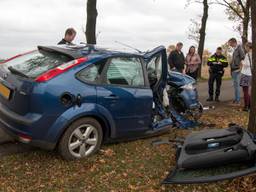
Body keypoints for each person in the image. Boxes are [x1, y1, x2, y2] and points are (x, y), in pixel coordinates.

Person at [228, 38, 245, 104]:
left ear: (233, 42)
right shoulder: (234, 49)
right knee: (235, 86)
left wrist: (240, 67)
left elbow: (243, 57)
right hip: (233, 69)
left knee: (237, 86)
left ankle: (237, 100)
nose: (230, 45)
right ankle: (236, 99)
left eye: (230, 43)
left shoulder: (239, 48)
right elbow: (236, 58)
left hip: (237, 69)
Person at [240, 42, 252, 112]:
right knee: (246, 91)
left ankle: (246, 106)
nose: (245, 48)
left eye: (245, 47)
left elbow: (247, 64)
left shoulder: (248, 54)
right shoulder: (251, 54)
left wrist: (242, 61)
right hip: (249, 74)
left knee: (245, 91)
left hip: (246, 74)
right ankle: (249, 105)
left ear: (248, 47)